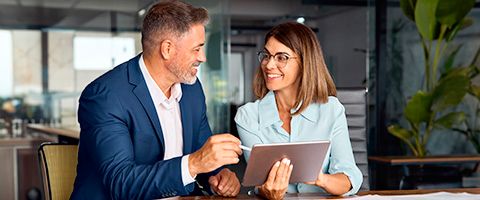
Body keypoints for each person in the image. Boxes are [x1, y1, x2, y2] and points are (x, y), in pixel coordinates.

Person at [71, 1, 242, 199]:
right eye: (196, 49)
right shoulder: (105, 97)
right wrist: (194, 163)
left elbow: (201, 157)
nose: (202, 57)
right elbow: (121, 183)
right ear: (167, 49)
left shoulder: (192, 89)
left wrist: (219, 176)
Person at [235, 22, 363, 199]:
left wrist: (320, 179)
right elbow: (260, 182)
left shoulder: (331, 110)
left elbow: (349, 178)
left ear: (305, 62)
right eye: (267, 55)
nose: (269, 65)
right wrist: (267, 191)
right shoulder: (247, 116)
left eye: (281, 57)